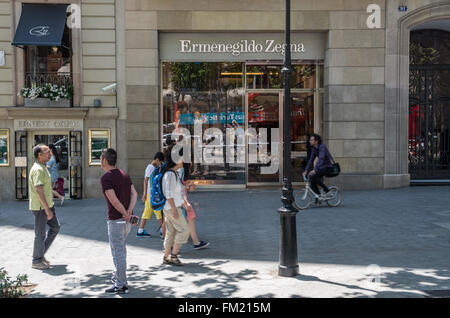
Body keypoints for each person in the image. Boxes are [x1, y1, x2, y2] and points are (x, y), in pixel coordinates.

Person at [100, 148, 138, 294]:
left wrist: (125, 213)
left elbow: (114, 200)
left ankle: (121, 285)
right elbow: (134, 193)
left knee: (118, 253)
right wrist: (129, 211)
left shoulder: (106, 178)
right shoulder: (124, 174)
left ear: (104, 160)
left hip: (117, 220)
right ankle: (118, 279)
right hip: (126, 221)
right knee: (121, 251)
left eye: (100, 158)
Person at [29, 144, 61, 270]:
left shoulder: (43, 167)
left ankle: (40, 255)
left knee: (55, 227)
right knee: (40, 234)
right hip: (41, 208)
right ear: (39, 155)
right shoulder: (38, 169)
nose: (50, 153)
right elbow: (38, 190)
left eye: (49, 151)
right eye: (47, 152)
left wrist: (56, 194)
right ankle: (37, 260)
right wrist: (47, 209)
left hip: (47, 206)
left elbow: (45, 187)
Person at [162, 146, 190, 266]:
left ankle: (166, 257)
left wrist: (184, 201)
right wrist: (174, 209)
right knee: (184, 230)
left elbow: (175, 192)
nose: (184, 160)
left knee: (171, 233)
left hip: (170, 208)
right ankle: (173, 256)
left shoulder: (174, 173)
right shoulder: (171, 175)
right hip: (171, 208)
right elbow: (168, 194)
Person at [178, 165, 210, 250]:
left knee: (188, 220)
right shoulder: (178, 170)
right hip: (180, 201)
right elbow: (177, 188)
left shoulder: (176, 169)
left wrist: (187, 186)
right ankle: (172, 249)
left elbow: (179, 186)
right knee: (182, 222)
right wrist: (185, 202)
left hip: (179, 201)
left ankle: (172, 248)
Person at [136, 152, 166, 239]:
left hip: (151, 193)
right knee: (158, 211)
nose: (160, 164)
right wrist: (144, 194)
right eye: (160, 162)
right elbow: (145, 180)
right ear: (157, 160)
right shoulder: (150, 167)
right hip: (151, 193)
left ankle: (140, 231)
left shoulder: (153, 167)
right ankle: (163, 231)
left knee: (148, 212)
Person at [303, 134, 334, 202]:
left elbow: (321, 159)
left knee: (314, 176)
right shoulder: (314, 148)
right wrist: (306, 170)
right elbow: (311, 160)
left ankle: (326, 190)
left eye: (311, 140)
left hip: (328, 167)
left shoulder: (322, 147)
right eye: (310, 140)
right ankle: (318, 196)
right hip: (321, 167)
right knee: (312, 181)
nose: (309, 141)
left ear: (316, 141)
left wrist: (315, 170)